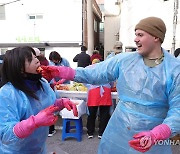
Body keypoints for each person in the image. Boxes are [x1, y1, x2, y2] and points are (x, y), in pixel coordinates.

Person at [41, 16, 180, 154]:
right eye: (135, 34)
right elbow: (94, 73)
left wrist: (158, 134)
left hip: (153, 140)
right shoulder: (125, 60)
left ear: (156, 37)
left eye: (140, 35)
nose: (135, 39)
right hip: (118, 132)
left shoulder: (174, 70)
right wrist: (61, 71)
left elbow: (178, 110)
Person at [0, 46, 78, 153]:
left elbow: (47, 104)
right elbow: (6, 135)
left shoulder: (42, 83)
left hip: (39, 148)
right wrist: (35, 122)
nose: (37, 60)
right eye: (30, 59)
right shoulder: (7, 93)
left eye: (35, 57)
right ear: (20, 69)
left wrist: (62, 103)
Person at [85, 59, 112, 139]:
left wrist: (89, 86)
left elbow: (83, 79)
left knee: (92, 113)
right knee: (104, 114)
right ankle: (101, 133)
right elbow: (112, 81)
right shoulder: (106, 69)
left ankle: (90, 132)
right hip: (105, 91)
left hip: (93, 91)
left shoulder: (88, 68)